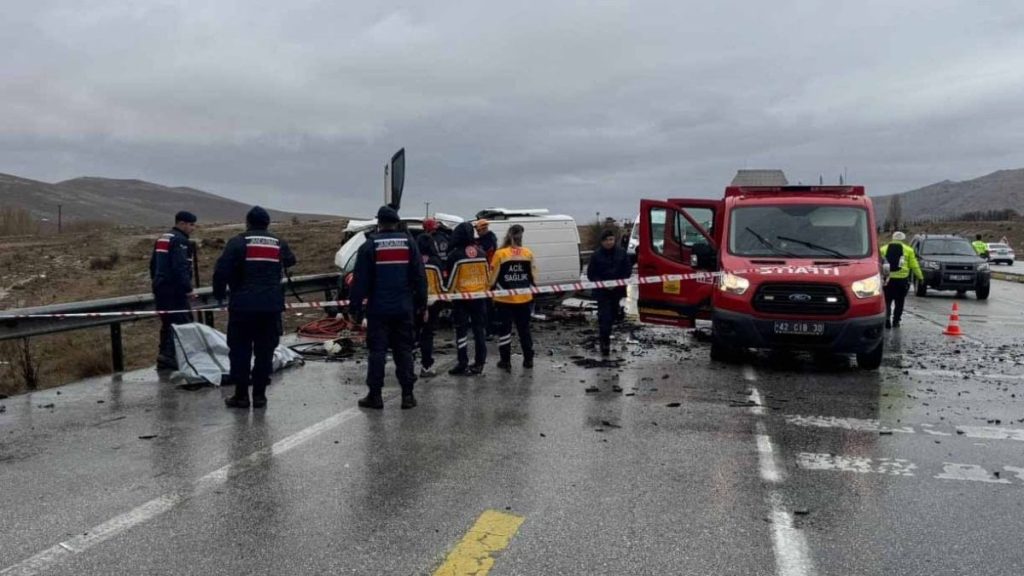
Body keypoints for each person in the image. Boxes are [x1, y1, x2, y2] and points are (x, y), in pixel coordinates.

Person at [213, 206, 296, 409]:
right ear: (267, 224)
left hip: (242, 307)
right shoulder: (277, 243)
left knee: (240, 352)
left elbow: (221, 271)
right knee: (264, 352)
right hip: (270, 307)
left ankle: (241, 396)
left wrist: (219, 295)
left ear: (247, 222)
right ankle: (260, 396)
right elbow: (291, 260)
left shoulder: (238, 242)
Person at [348, 206, 427, 409]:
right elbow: (419, 276)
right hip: (403, 307)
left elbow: (360, 281)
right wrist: (421, 304)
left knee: (377, 352)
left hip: (379, 309)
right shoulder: (409, 243)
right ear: (396, 222)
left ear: (379, 223)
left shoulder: (370, 245)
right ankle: (408, 396)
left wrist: (355, 309)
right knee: (404, 350)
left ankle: (375, 396)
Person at [149, 210, 197, 370]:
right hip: (173, 290)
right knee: (182, 322)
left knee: (167, 322)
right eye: (191, 225)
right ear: (181, 223)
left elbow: (153, 264)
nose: (193, 228)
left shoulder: (163, 238)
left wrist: (156, 282)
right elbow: (180, 267)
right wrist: (188, 289)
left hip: (160, 287)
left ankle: (164, 357)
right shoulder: (180, 241)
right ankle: (173, 357)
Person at [489, 225, 537, 372]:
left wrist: (490, 291)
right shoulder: (528, 253)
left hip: (505, 299)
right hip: (524, 298)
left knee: (505, 331)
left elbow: (492, 277)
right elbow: (533, 276)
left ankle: (505, 361)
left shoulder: (500, 254)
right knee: (524, 330)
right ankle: (528, 359)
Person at [446, 222, 490, 375]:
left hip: (461, 299)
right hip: (479, 297)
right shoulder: (481, 252)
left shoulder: (455, 255)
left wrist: (447, 294)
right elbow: (487, 277)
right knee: (479, 330)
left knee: (461, 331)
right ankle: (479, 363)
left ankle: (462, 363)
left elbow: (451, 280)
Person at [587, 229, 631, 356]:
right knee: (604, 318)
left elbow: (627, 271)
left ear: (614, 240)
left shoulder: (621, 253)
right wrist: (603, 284)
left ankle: (606, 335)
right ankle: (604, 343)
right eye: (606, 240)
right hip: (602, 293)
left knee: (612, 317)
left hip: (617, 292)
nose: (609, 242)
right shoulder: (596, 255)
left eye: (611, 239)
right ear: (602, 242)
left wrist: (617, 283)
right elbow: (591, 274)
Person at [416, 224, 446, 377]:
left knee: (413, 333)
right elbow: (440, 283)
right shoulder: (435, 261)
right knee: (428, 335)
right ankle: (426, 366)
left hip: (415, 302)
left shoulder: (414, 261)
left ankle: (407, 365)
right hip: (433, 302)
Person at [880, 231, 923, 329]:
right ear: (903, 239)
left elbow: (878, 263)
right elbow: (914, 266)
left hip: (887, 279)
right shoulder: (908, 250)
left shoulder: (883, 249)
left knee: (887, 300)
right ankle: (896, 321)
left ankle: (886, 318)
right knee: (900, 301)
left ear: (892, 238)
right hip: (902, 280)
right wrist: (920, 277)